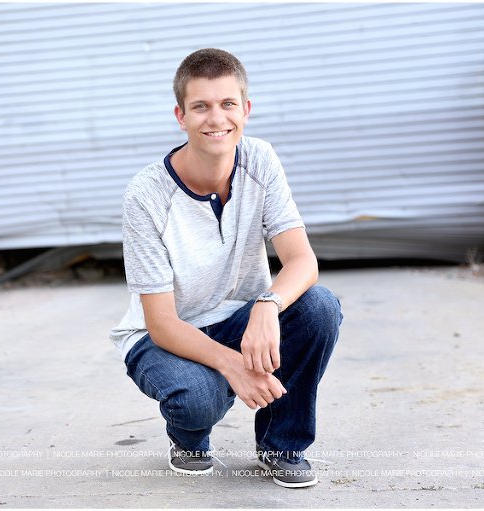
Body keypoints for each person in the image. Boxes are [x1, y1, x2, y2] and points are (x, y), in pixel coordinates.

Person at [109, 48, 342, 488]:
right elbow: (160, 322)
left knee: (319, 307)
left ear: (246, 110)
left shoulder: (260, 160)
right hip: (162, 338)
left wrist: (268, 306)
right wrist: (235, 366)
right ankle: (189, 440)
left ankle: (282, 445)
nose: (216, 118)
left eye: (227, 104)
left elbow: (302, 260)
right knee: (199, 397)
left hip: (236, 318)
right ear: (181, 115)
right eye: (200, 106)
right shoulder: (145, 195)